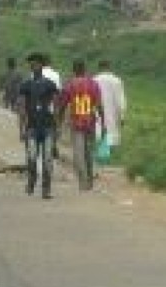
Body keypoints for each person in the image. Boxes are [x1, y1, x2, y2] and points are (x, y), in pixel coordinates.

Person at [16, 53, 60, 198]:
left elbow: (56, 105)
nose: (33, 66)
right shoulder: (26, 85)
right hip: (32, 127)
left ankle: (46, 189)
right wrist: (22, 128)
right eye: (31, 64)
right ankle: (32, 180)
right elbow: (21, 107)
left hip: (47, 126)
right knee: (32, 157)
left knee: (47, 158)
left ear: (41, 65)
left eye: (35, 64)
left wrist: (57, 126)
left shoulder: (50, 84)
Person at [58, 60, 104, 191]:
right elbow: (99, 105)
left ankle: (83, 182)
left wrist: (59, 121)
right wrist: (104, 121)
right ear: (85, 70)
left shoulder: (69, 85)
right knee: (88, 153)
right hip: (90, 123)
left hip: (76, 124)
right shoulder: (93, 84)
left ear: (74, 70)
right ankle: (89, 181)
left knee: (79, 155)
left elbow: (62, 105)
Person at [93, 60, 127, 153]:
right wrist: (122, 116)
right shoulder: (116, 80)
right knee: (111, 131)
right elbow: (121, 101)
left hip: (97, 113)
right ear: (109, 67)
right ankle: (106, 155)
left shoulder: (94, 80)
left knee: (98, 132)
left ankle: (101, 155)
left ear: (99, 68)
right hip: (112, 113)